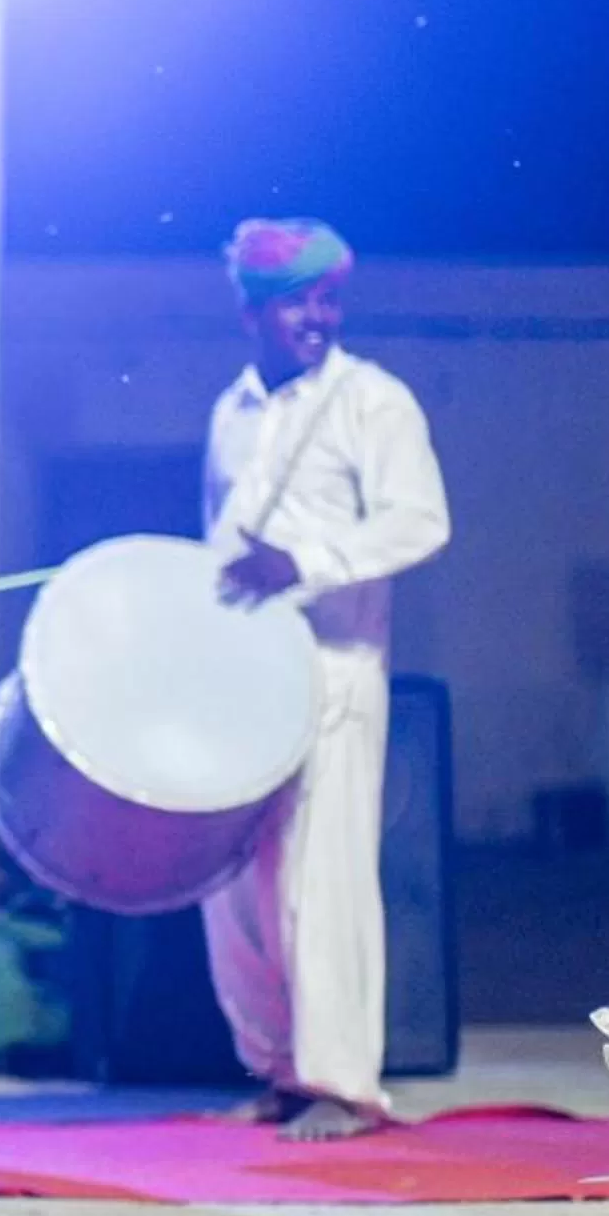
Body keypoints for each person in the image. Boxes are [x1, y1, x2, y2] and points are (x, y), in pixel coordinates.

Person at [201, 220, 450, 1142]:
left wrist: (301, 561)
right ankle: (275, 1068)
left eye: (328, 298)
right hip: (241, 674)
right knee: (233, 888)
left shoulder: (371, 400)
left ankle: (343, 1085)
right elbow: (222, 542)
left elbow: (421, 523)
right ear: (252, 311)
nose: (318, 316)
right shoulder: (230, 410)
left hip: (335, 672)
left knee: (321, 881)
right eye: (298, 301)